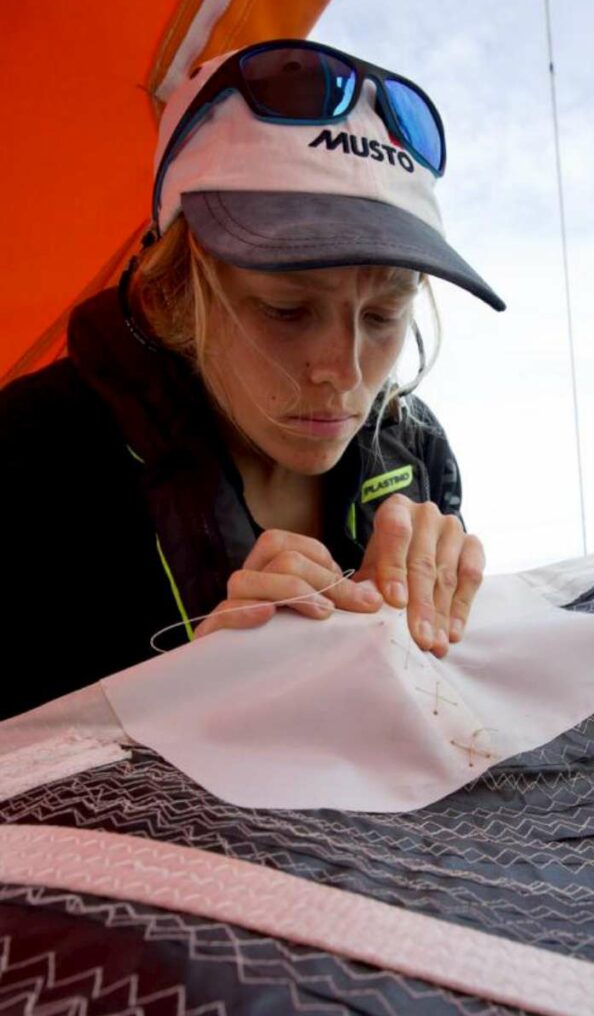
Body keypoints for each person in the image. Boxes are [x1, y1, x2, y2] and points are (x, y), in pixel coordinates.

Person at [0, 39, 505, 720]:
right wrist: (184, 708)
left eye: (384, 314)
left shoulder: (415, 451)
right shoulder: (28, 457)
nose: (345, 373)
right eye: (287, 310)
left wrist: (414, 631)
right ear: (174, 290)